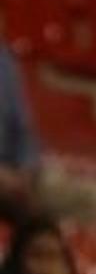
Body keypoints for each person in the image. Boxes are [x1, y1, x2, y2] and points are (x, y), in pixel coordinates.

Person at [0, 42, 41, 225]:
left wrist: (26, 170)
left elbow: (24, 128)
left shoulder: (5, 61)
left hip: (14, 170)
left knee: (92, 198)